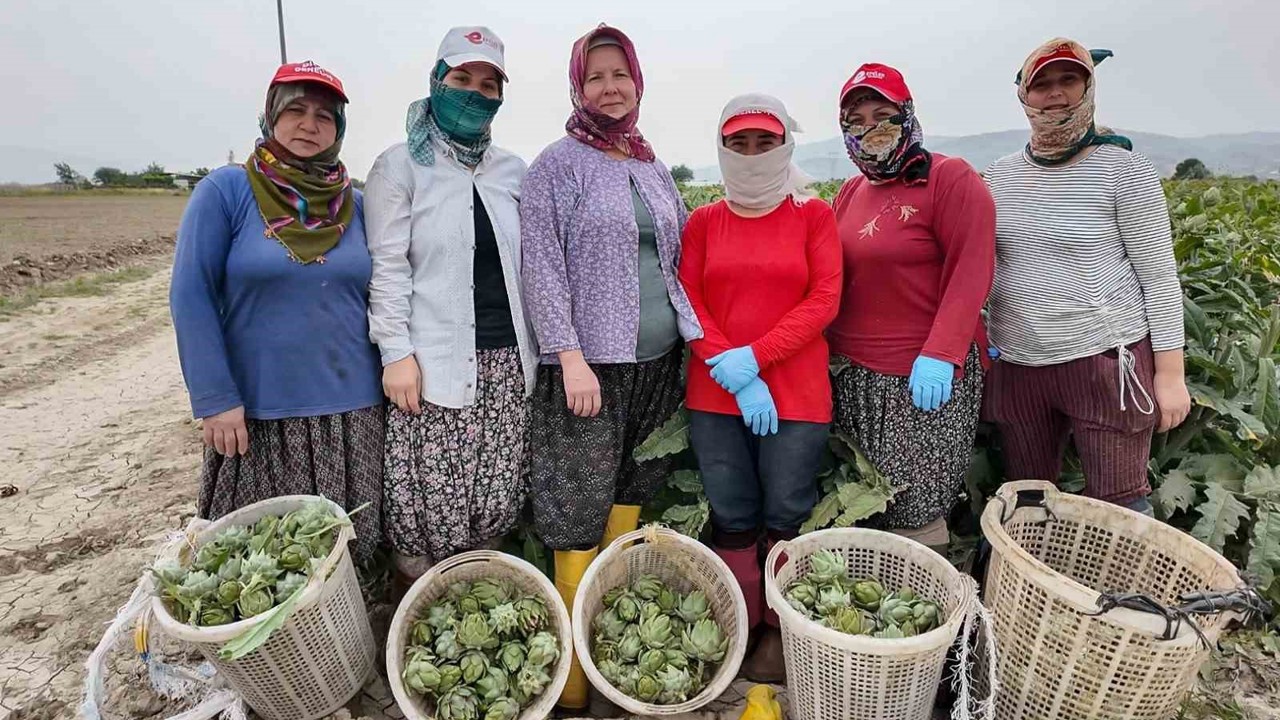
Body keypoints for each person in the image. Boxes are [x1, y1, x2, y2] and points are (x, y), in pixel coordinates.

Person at [520, 23, 701, 710]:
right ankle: (568, 668)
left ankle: (605, 630)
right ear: (577, 86)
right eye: (595, 77)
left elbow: (675, 262)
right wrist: (568, 355)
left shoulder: (651, 167)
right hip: (590, 366)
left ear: (637, 82)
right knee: (575, 501)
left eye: (619, 74)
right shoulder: (556, 167)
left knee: (636, 482)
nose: (609, 87)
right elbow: (541, 267)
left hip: (658, 359)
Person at [170, 61, 383, 565]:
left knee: (346, 559)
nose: (309, 125)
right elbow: (190, 294)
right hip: (259, 416)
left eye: (324, 116)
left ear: (339, 129)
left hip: (353, 415)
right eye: (295, 111)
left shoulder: (358, 203)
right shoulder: (227, 191)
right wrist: (214, 397)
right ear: (269, 117)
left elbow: (391, 291)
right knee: (262, 564)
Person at [983, 39, 1190, 511]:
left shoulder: (1123, 169)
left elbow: (1158, 276)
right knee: (1029, 500)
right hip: (1019, 365)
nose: (1055, 94)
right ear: (1023, 95)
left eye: (1068, 80)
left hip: (1104, 363)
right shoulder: (999, 176)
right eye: (1042, 84)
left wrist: (1171, 374)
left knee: (1119, 504)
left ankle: (1120, 587)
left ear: (1088, 88)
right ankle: (1035, 584)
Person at [365, 27, 537, 588]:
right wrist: (395, 354)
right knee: (426, 498)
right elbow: (389, 267)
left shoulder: (511, 170)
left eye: (488, 84)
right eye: (462, 79)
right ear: (437, 82)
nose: (475, 93)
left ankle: (478, 598)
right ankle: (419, 602)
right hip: (433, 364)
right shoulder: (400, 167)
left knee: (495, 488)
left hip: (508, 365)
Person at [678, 94, 841, 682]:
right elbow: (690, 301)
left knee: (785, 513)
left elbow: (824, 298)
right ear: (722, 149)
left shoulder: (812, 216)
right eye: (738, 143)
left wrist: (757, 357)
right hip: (717, 393)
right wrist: (731, 367)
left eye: (764, 142)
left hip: (796, 394)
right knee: (733, 515)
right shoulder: (703, 222)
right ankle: (741, 619)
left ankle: (775, 634)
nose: (751, 153)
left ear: (785, 145)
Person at [827, 64, 996, 553]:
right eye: (856, 120)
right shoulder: (852, 191)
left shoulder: (949, 179)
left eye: (883, 114)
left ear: (908, 115)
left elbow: (972, 269)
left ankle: (933, 618)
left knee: (915, 507)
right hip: (854, 376)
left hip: (922, 379)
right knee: (867, 501)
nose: (871, 128)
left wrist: (943, 352)